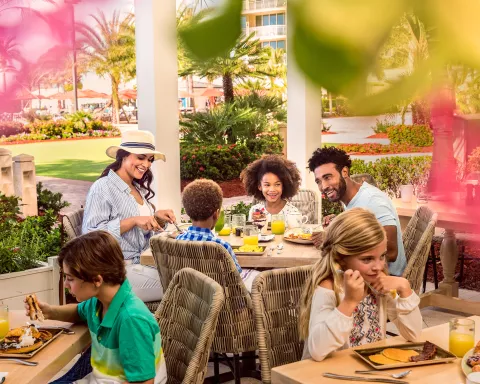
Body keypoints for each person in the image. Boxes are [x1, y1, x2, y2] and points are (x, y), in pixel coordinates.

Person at [27, 231, 167, 384]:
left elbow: (144, 382)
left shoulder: (131, 319)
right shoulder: (99, 301)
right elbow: (78, 312)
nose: (66, 285)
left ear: (96, 280)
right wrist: (49, 311)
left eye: (70, 278)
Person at [299, 208, 421, 362]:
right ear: (341, 258)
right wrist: (349, 302)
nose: (378, 266)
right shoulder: (329, 287)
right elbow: (317, 350)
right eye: (367, 259)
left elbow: (414, 334)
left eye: (381, 256)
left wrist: (404, 288)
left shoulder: (376, 285)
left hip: (369, 371)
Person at [82, 130, 176, 302]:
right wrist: (133, 221)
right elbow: (90, 237)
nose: (146, 164)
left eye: (149, 160)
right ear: (123, 156)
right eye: (141, 157)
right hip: (118, 273)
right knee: (186, 285)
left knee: (189, 276)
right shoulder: (103, 188)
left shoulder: (136, 188)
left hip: (143, 266)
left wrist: (156, 219)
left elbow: (140, 234)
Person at [308, 147, 406, 276]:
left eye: (328, 177)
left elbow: (391, 252)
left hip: (384, 278)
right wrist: (340, 221)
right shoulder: (352, 197)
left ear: (344, 172)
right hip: (365, 272)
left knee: (315, 277)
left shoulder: (373, 201)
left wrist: (331, 241)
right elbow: (365, 227)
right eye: (318, 181)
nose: (324, 186)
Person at [177, 179, 260, 292]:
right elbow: (236, 277)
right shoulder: (221, 247)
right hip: (223, 302)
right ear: (216, 214)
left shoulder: (178, 240)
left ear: (187, 212)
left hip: (188, 298)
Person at [241, 154, 302, 223]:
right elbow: (254, 232)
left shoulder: (292, 213)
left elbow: (295, 233)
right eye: (267, 185)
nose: (272, 189)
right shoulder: (256, 210)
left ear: (283, 186)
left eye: (277, 184)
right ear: (259, 186)